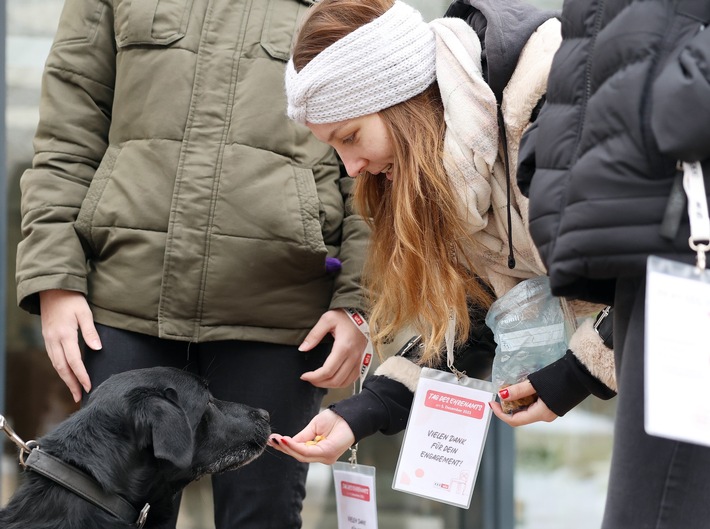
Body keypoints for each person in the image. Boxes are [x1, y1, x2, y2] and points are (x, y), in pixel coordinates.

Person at [15, 1, 370, 528]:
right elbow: (69, 132)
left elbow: (374, 164)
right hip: (124, 296)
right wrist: (55, 278)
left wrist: (358, 299)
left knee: (262, 518)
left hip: (280, 312)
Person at [268, 0, 616, 465]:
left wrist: (578, 373)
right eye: (334, 148)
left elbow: (667, 265)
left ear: (400, 98)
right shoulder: (453, 169)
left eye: (350, 137)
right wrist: (364, 411)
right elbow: (480, 315)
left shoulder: (548, 107)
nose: (351, 168)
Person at [517, 0, 710, 527]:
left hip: (687, 222)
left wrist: (684, 95)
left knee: (654, 510)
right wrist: (556, 146)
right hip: (657, 234)